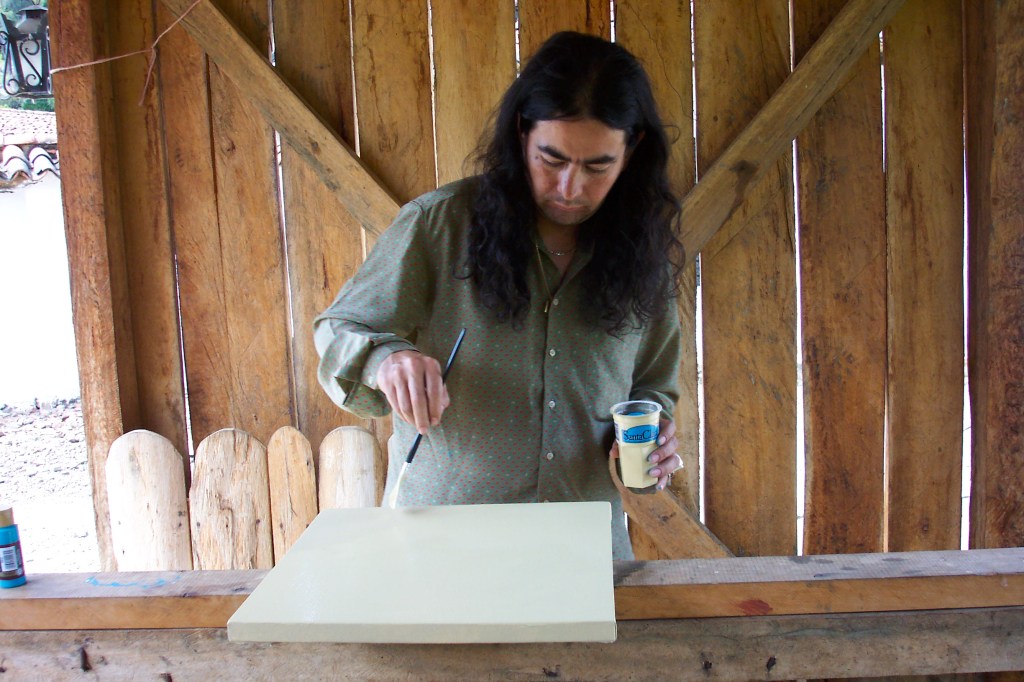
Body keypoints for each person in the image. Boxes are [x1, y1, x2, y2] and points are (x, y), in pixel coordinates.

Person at [314, 31, 685, 559]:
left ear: (633, 151)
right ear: (521, 133)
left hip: (579, 554)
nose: (570, 188)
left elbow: (652, 388)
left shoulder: (643, 255)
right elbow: (337, 330)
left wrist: (655, 440)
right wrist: (386, 360)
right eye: (551, 160)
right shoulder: (440, 225)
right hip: (443, 551)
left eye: (597, 167)